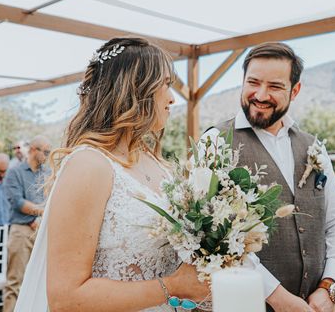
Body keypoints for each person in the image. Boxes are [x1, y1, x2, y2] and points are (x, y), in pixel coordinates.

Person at [15, 38, 209, 312]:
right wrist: (173, 287)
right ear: (135, 88)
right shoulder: (89, 165)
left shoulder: (160, 165)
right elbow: (66, 298)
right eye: (166, 84)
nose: (172, 97)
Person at [204, 42, 335, 312]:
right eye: (253, 82)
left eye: (274, 86)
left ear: (295, 90)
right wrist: (278, 298)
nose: (261, 94)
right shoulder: (215, 141)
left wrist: (329, 287)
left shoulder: (314, 147)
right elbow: (211, 235)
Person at [3, 136, 50, 312]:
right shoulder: (14, 172)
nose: (47, 155)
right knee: (15, 282)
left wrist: (40, 218)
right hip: (21, 231)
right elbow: (18, 203)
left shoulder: (47, 173)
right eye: (45, 152)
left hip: (41, 231)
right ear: (32, 150)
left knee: (39, 282)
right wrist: (42, 213)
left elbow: (50, 199)